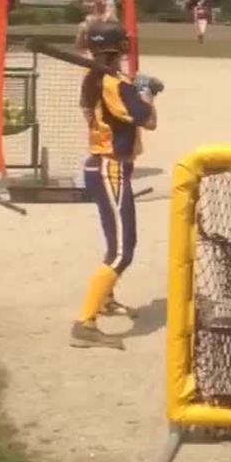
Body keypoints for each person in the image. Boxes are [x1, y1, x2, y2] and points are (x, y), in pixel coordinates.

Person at [71, 21, 157, 350]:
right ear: (121, 47)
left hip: (104, 165)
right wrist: (147, 92)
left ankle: (105, 300)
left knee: (117, 244)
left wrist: (136, 88)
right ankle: (84, 324)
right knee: (122, 252)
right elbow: (149, 120)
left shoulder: (93, 78)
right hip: (111, 168)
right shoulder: (114, 83)